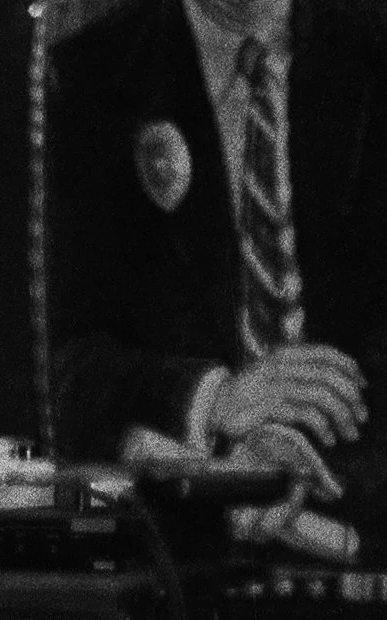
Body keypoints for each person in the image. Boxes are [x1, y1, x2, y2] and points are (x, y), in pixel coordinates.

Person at [46, 0, 387, 541]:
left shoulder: (371, 51)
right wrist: (212, 400)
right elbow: (53, 360)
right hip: (175, 549)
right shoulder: (86, 78)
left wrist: (310, 473)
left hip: (360, 529)